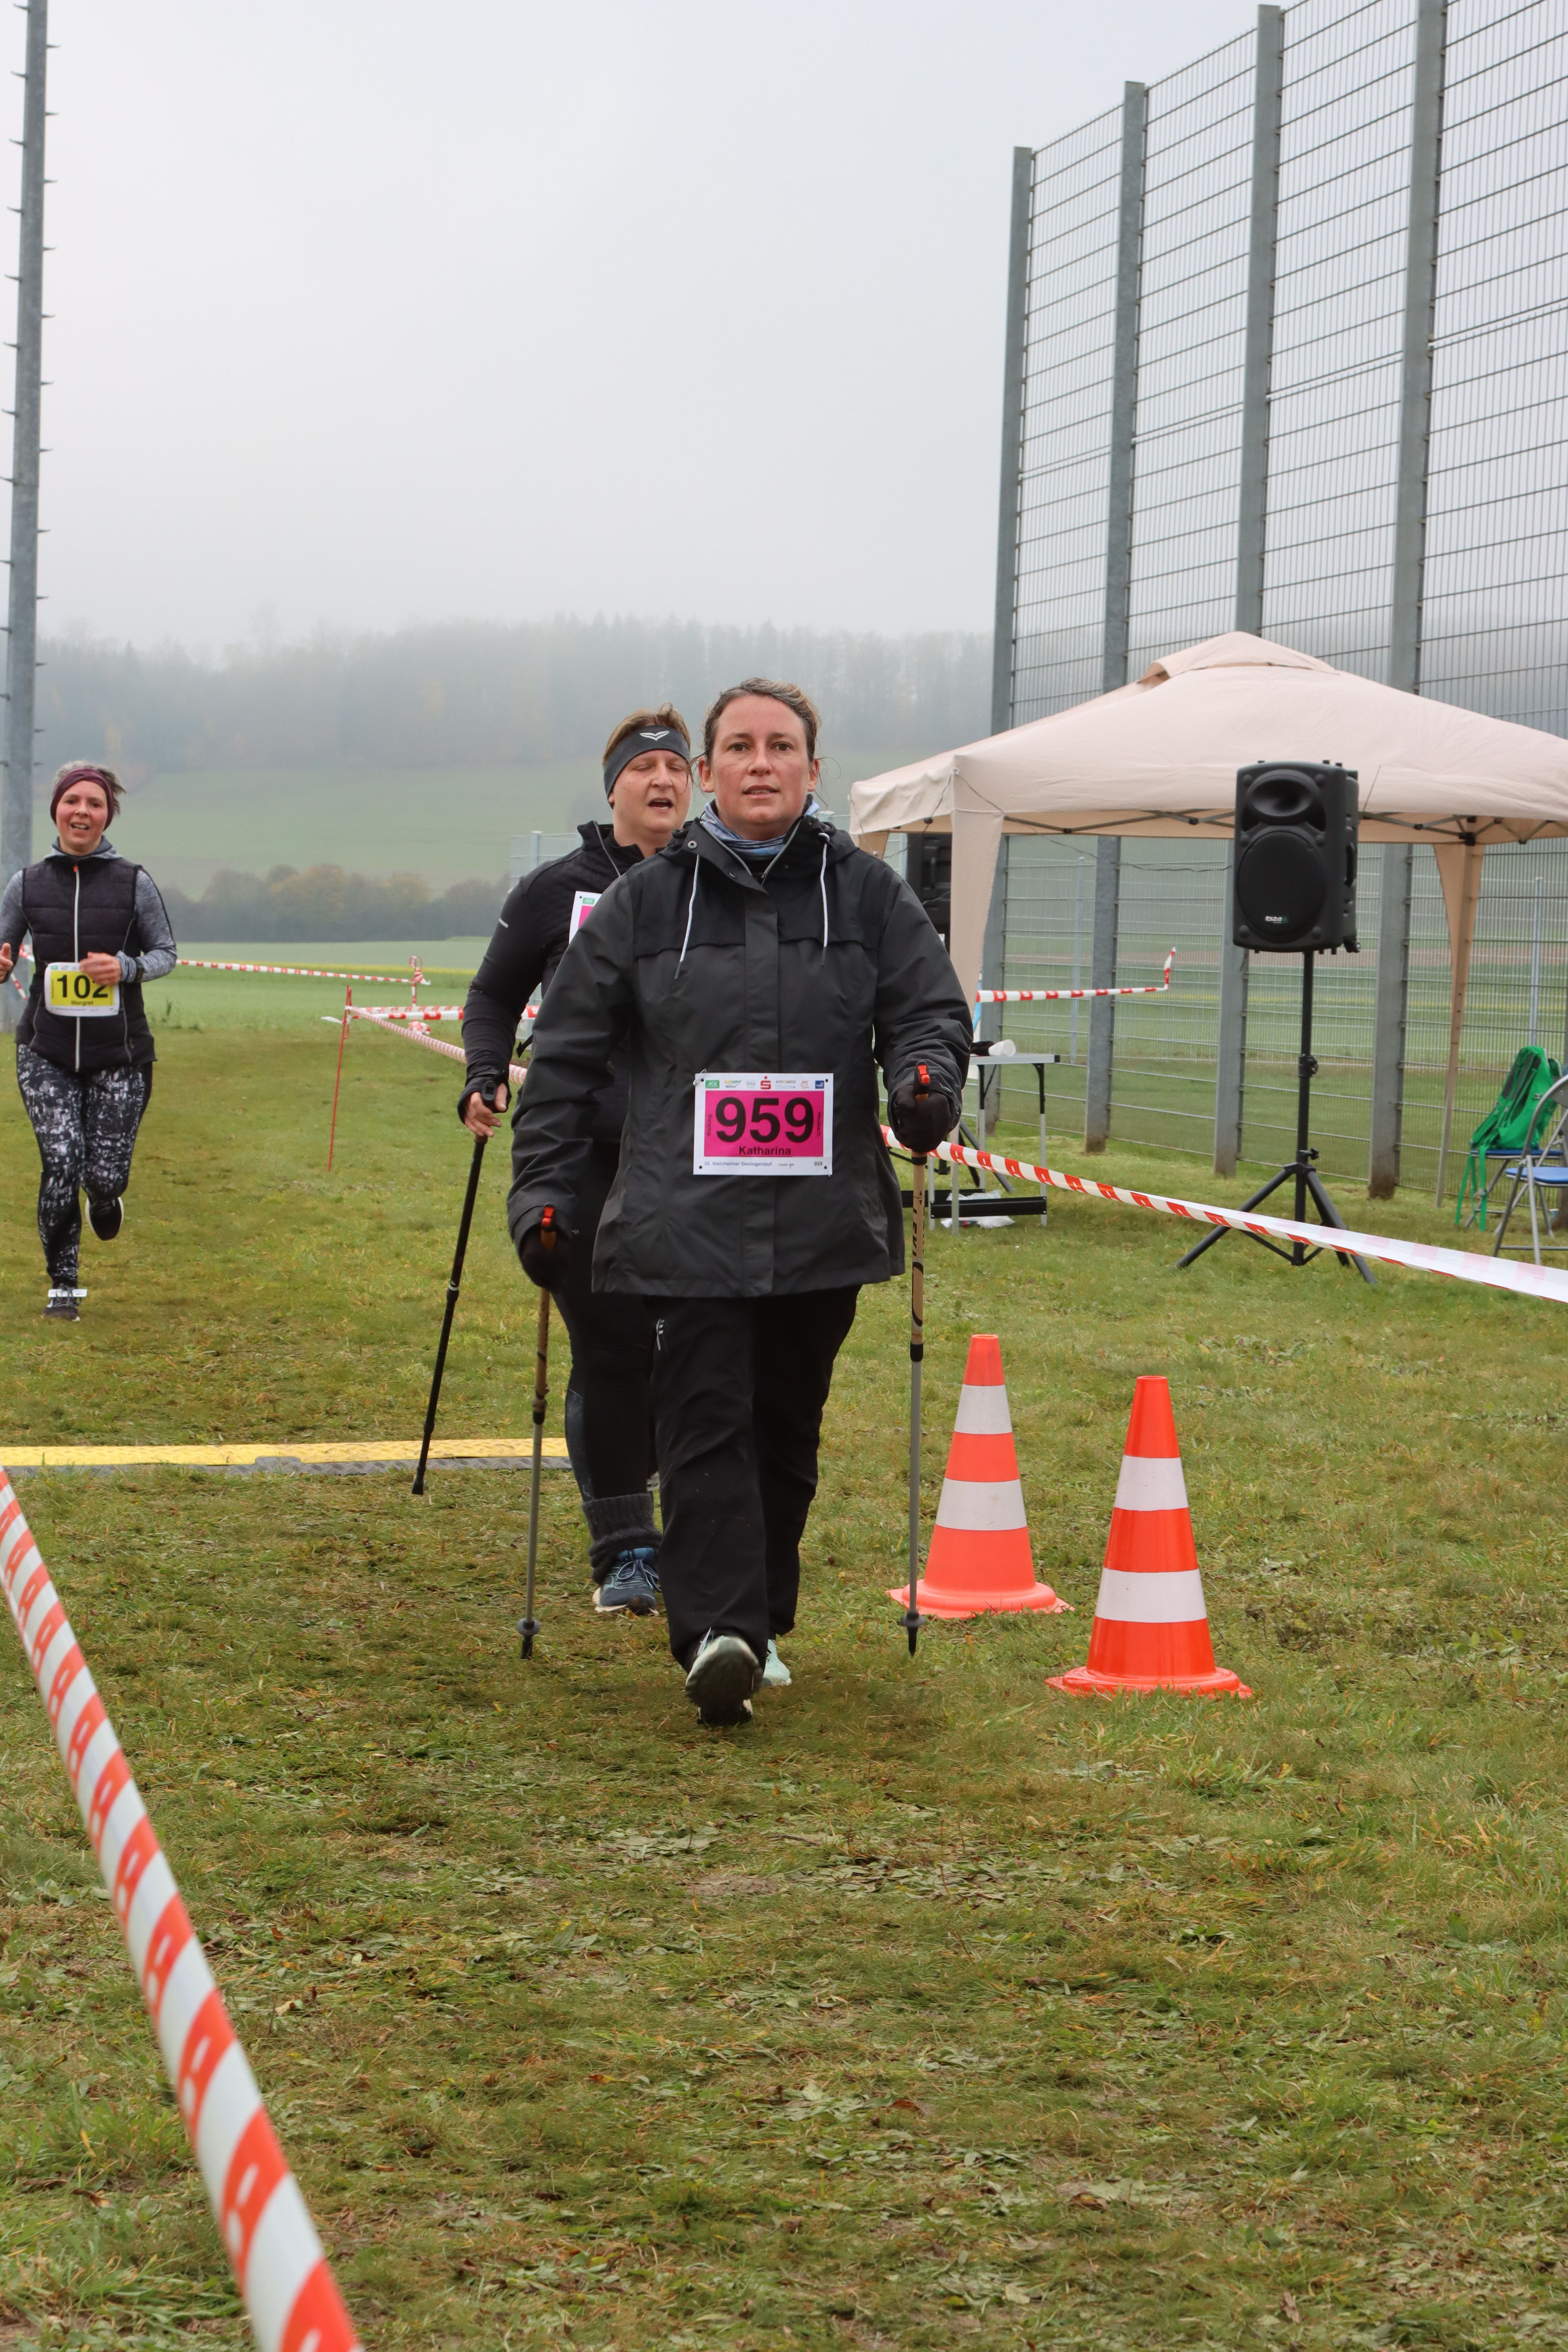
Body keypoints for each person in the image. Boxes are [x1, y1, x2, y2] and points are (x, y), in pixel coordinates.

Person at [508, 678, 970, 1726]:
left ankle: (755, 1618)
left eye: (782, 746)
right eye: (741, 747)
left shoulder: (867, 895)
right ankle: (718, 1632)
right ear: (709, 770)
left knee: (784, 1427)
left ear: (813, 768)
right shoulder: (645, 903)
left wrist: (923, 1079)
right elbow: (567, 1054)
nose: (762, 763)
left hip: (823, 1218)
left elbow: (927, 1011)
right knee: (703, 1411)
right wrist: (542, 1192)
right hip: (686, 1214)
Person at [460, 706, 694, 1614]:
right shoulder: (557, 888)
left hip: (693, 1153)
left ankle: (692, 1517)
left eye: (678, 769)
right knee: (611, 1344)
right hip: (586, 1149)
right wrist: (485, 1071)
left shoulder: (712, 880)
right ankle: (626, 1548)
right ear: (614, 787)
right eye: (645, 769)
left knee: (689, 1348)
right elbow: (492, 994)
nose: (663, 782)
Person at [0, 760, 177, 1321]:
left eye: (94, 804)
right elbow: (2, 949)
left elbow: (166, 954)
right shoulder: (26, 884)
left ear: (107, 815)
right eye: (72, 801)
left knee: (103, 1176)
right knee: (60, 1163)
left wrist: (125, 968)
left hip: (120, 1055)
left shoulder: (134, 882)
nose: (82, 811)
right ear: (56, 809)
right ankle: (64, 1286)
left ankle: (105, 1197)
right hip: (45, 1049)